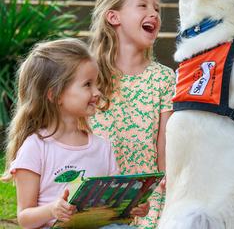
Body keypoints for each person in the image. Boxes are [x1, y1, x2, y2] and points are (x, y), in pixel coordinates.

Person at [1, 38, 149, 228]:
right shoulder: (36, 146)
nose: (96, 92)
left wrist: (131, 207)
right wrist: (52, 210)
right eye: (87, 84)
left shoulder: (102, 147)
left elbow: (111, 207)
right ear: (55, 94)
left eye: (96, 84)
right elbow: (24, 217)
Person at [88, 0, 175, 229]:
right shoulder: (89, 75)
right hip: (98, 195)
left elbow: (164, 147)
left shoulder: (164, 78)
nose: (154, 14)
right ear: (113, 17)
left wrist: (168, 189)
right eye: (143, 6)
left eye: (157, 8)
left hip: (147, 198)